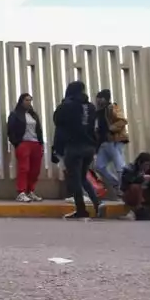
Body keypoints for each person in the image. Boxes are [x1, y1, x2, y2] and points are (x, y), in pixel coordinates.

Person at [52, 81, 100, 220]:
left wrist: (57, 148)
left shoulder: (67, 106)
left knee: (75, 179)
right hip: (89, 147)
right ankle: (98, 204)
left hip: (74, 147)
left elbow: (58, 122)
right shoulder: (90, 107)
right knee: (83, 177)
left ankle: (81, 210)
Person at [6, 93, 44, 202]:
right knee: (24, 168)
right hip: (23, 143)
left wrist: (41, 143)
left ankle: (30, 191)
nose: (28, 102)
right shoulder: (15, 114)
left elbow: (39, 130)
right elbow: (10, 130)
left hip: (35, 143)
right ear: (21, 101)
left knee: (35, 170)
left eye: (30, 100)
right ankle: (21, 192)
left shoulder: (33, 115)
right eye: (26, 100)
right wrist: (17, 143)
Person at [91, 89, 128, 196]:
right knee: (99, 166)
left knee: (119, 166)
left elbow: (123, 121)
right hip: (103, 143)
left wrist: (111, 129)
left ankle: (123, 189)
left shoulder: (112, 107)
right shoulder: (97, 111)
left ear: (104, 99)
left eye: (99, 98)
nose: (97, 101)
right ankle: (116, 184)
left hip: (114, 141)